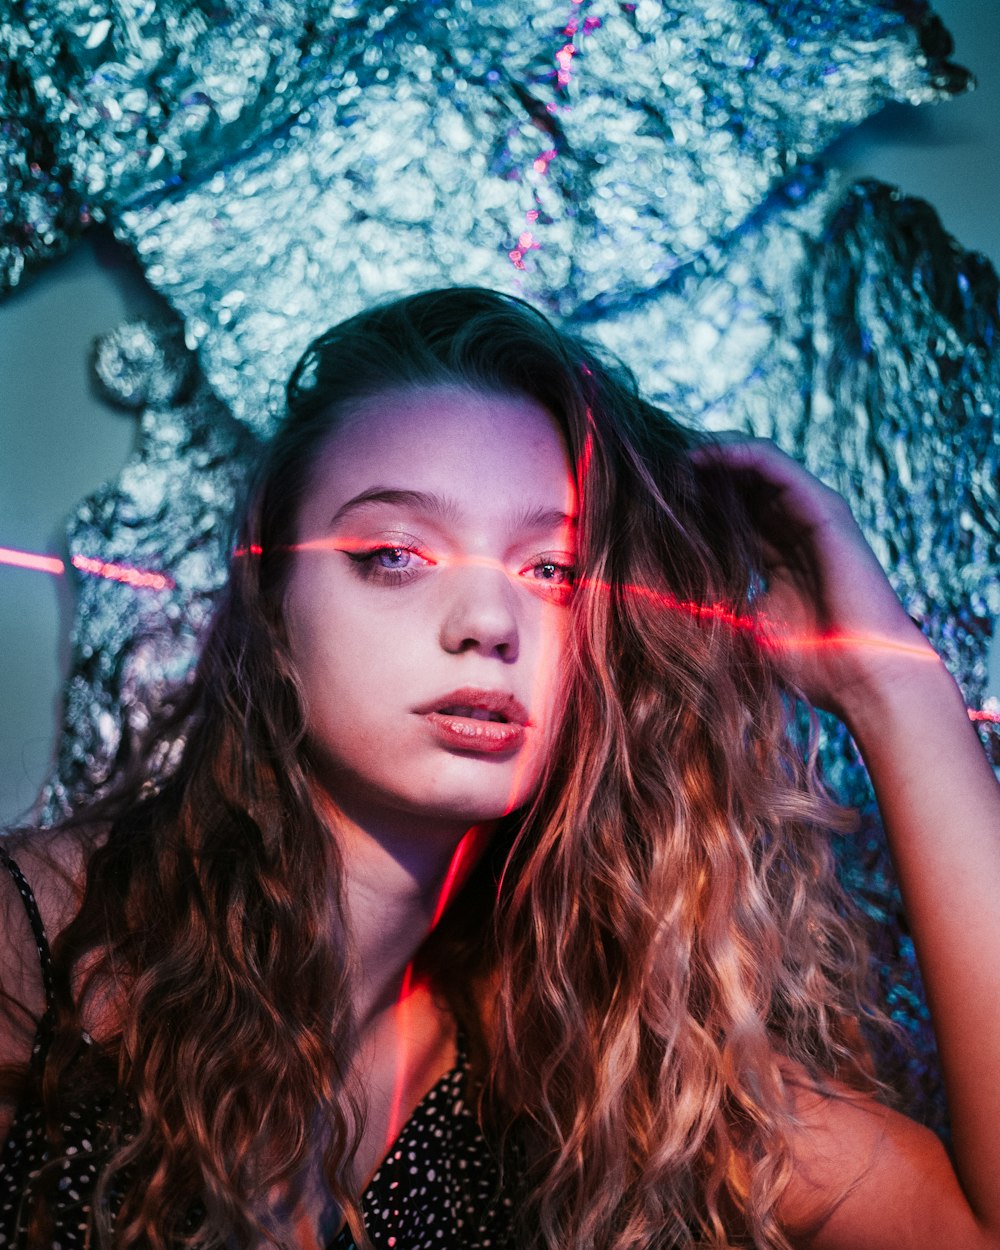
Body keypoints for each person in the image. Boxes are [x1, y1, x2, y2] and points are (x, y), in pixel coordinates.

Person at [0, 287, 998, 1250]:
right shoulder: (37, 949)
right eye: (393, 552)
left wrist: (890, 684)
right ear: (271, 604)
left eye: (550, 571)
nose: (486, 623)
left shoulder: (580, 1067)